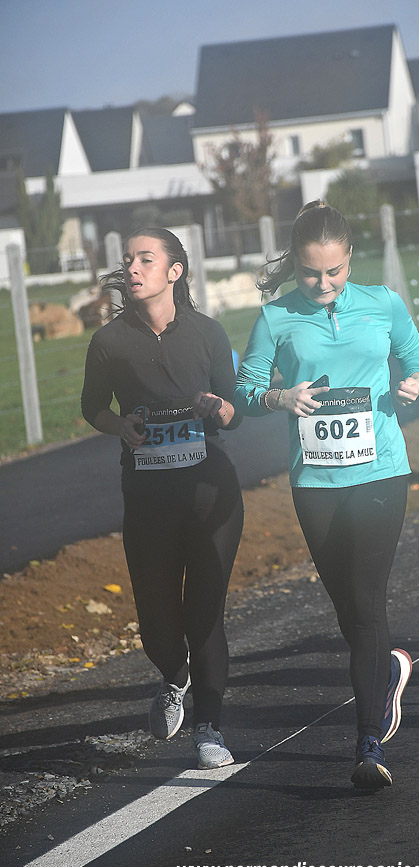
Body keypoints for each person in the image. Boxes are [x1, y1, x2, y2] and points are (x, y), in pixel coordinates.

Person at [234, 201, 419, 790]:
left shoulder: (383, 302)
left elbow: (417, 356)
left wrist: (414, 381)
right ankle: (386, 673)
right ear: (295, 265)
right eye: (310, 273)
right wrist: (280, 397)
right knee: (348, 609)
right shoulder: (275, 317)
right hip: (315, 482)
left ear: (350, 260)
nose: (323, 284)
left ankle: (368, 743)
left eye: (334, 272)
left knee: (366, 604)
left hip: (381, 472)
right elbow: (245, 389)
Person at [81, 228, 243, 769]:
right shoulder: (109, 342)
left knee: (205, 615)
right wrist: (120, 426)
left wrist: (218, 407)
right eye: (128, 259)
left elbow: (235, 412)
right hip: (148, 496)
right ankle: (175, 675)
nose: (132, 267)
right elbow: (91, 408)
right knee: (156, 622)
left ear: (175, 271)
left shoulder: (207, 332)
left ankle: (209, 729)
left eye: (145, 259)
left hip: (209, 492)